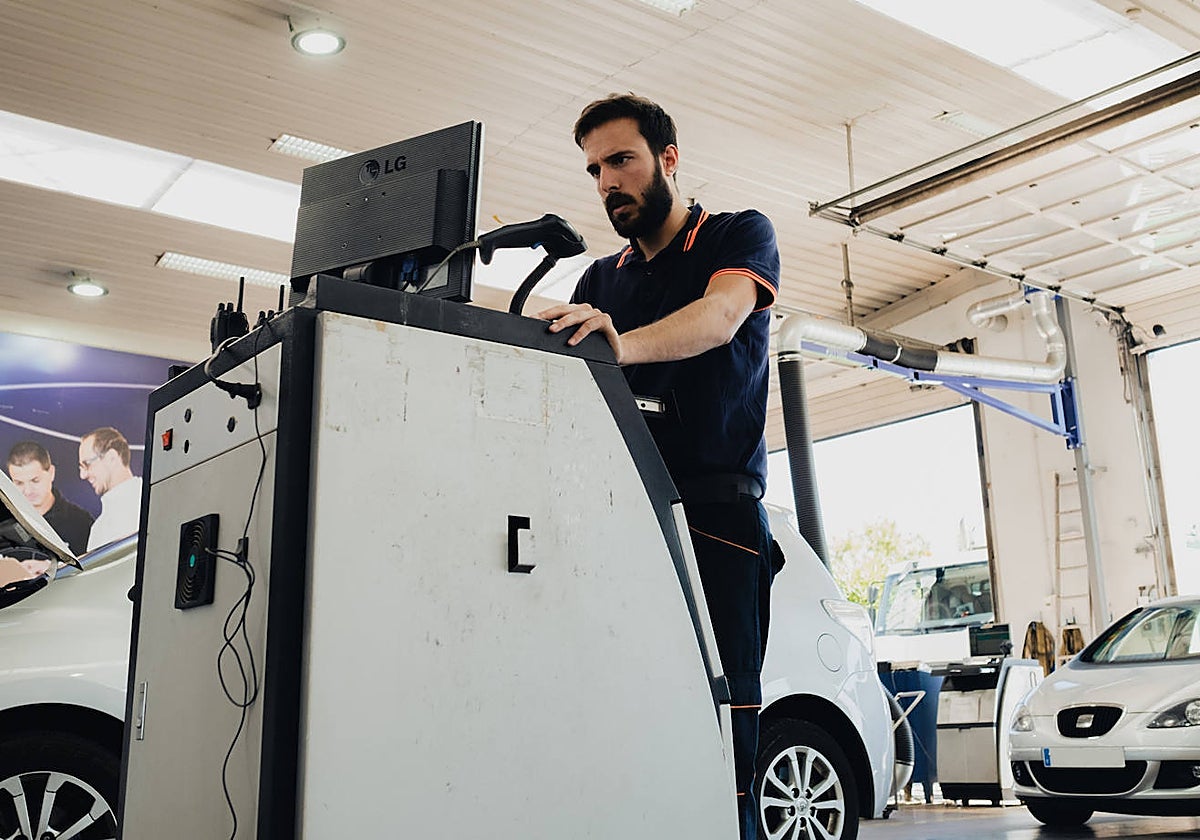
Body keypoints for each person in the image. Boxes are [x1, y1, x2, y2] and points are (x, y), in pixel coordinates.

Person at [537, 93, 780, 839]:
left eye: (621, 161)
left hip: (716, 516)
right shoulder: (598, 284)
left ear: (667, 160)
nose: (607, 182)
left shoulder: (738, 235)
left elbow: (721, 317)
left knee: (720, 720)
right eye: (594, 170)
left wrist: (621, 347)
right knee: (627, 710)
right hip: (620, 518)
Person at [6, 440, 95, 555]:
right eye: (19, 483)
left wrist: (54, 568)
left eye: (35, 480)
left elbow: (95, 569)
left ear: (51, 473)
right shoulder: (4, 524)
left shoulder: (80, 522)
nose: (28, 491)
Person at [78, 427, 143, 551]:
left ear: (112, 457)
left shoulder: (150, 500)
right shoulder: (98, 528)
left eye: (87, 464)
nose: (83, 475)